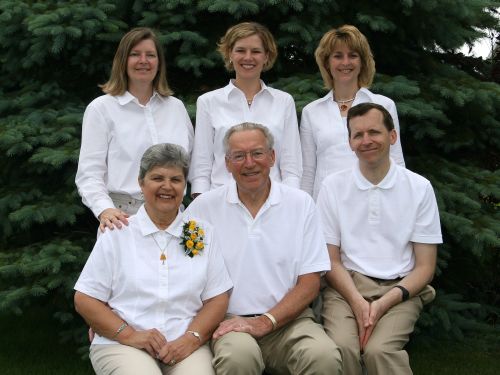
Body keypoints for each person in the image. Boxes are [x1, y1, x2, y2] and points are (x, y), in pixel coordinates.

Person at [185, 123, 342, 375]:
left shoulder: (301, 204)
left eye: (257, 153)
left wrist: (265, 321)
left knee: (323, 357)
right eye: (239, 156)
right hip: (229, 322)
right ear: (226, 163)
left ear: (272, 157)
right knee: (238, 359)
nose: (249, 163)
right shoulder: (202, 210)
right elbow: (176, 267)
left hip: (290, 321)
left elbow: (310, 282)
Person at [74, 143, 232, 375]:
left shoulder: (201, 233)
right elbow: (85, 299)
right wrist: (130, 335)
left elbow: (217, 298)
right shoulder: (118, 232)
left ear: (184, 186)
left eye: (176, 179)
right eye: (157, 178)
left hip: (185, 345)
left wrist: (191, 338)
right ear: (141, 183)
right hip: (121, 344)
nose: (167, 186)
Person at [317, 103, 442, 375]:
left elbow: (425, 267)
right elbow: (331, 259)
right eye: (357, 135)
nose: (366, 141)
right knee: (341, 348)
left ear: (392, 137)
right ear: (349, 142)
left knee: (379, 351)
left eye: (374, 132)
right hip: (346, 286)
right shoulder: (332, 187)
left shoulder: (419, 188)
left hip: (400, 288)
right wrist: (359, 304)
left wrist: (381, 305)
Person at [75, 27, 194, 232]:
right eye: (135, 54)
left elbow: (191, 165)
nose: (143, 61)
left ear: (159, 63)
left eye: (150, 55)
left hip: (174, 220)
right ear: (123, 61)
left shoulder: (176, 108)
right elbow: (89, 174)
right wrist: (104, 210)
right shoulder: (101, 109)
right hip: (123, 220)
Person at [189, 22, 302, 197]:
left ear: (266, 56)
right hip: (221, 200)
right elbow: (202, 165)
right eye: (241, 50)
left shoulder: (284, 101)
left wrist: (290, 201)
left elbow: (291, 163)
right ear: (229, 54)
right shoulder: (208, 102)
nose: (248, 57)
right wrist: (201, 203)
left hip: (273, 200)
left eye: (256, 51)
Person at [300, 24, 405, 200]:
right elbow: (308, 172)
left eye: (353, 56)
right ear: (327, 62)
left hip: (373, 201)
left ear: (362, 62)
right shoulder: (311, 112)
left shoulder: (383, 105)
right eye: (338, 56)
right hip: (327, 206)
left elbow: (397, 160)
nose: (345, 63)